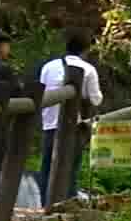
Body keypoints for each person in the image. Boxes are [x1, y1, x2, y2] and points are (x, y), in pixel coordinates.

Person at [37, 26, 105, 208]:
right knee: (71, 168)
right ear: (86, 49)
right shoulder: (88, 69)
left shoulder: (48, 66)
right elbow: (96, 99)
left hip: (49, 122)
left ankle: (45, 204)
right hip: (74, 125)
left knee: (46, 167)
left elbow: (41, 91)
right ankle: (66, 205)